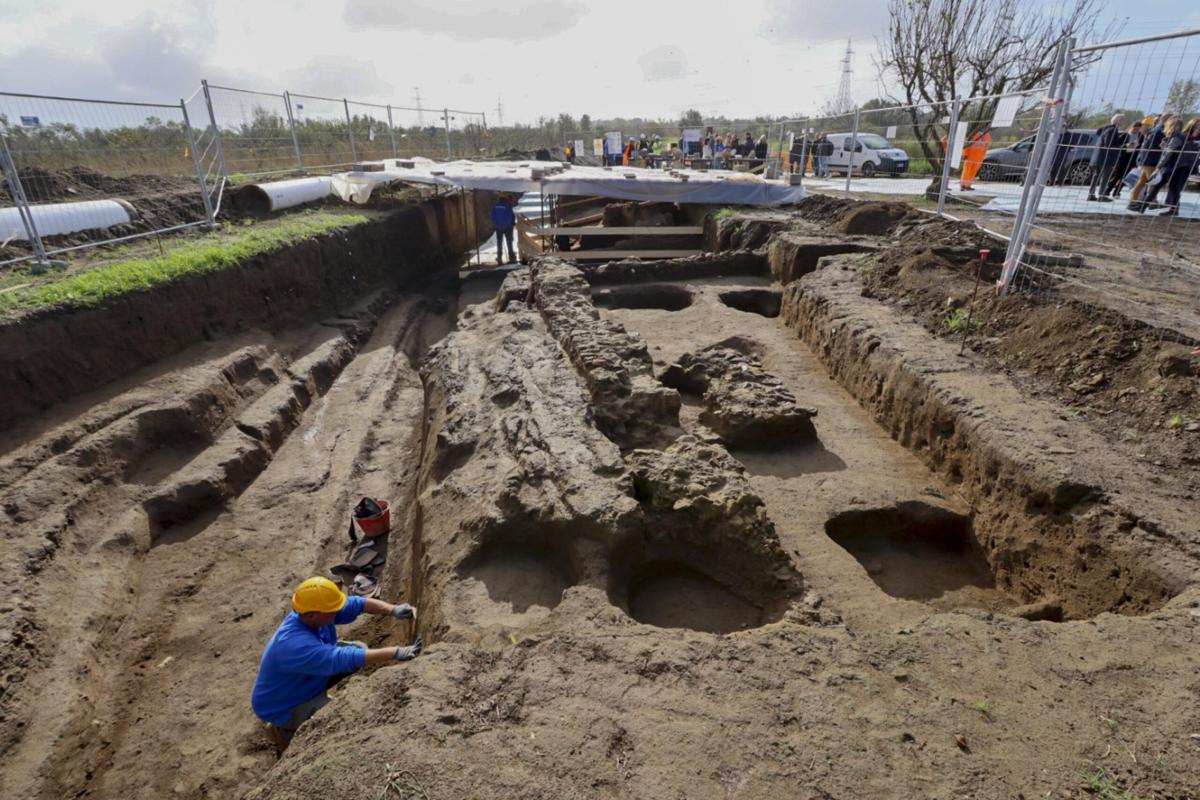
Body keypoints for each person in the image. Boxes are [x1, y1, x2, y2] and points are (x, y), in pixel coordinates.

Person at [252, 577, 422, 751]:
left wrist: (393, 610)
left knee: (359, 648)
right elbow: (341, 658)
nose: (338, 610)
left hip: (301, 680)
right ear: (313, 615)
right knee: (335, 718)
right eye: (333, 610)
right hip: (284, 704)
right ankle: (285, 732)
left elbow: (356, 604)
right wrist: (396, 652)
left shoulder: (313, 613)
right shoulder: (294, 645)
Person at [1138, 117, 1191, 213]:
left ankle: (1172, 210)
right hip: (1177, 166)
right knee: (1167, 187)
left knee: (1168, 187)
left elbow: (1168, 153)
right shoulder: (1180, 136)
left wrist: (1159, 166)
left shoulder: (1176, 137)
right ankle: (1143, 207)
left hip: (1174, 166)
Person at [1159, 118, 1199, 216]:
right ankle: (1171, 206)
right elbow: (1173, 142)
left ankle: (1173, 208)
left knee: (1176, 187)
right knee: (1171, 185)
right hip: (1175, 163)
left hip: (1188, 165)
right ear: (1192, 125)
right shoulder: (1184, 134)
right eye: (1197, 125)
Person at [1128, 114, 1168, 210]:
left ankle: (1134, 202)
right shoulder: (1159, 132)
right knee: (1152, 182)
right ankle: (1152, 202)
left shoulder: (1152, 132)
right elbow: (1153, 147)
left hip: (1146, 161)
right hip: (1150, 161)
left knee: (1142, 182)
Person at [1087, 114, 1128, 202]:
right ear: (1117, 120)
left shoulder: (1106, 129)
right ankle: (1102, 196)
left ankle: (1091, 195)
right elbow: (1109, 144)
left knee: (1096, 177)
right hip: (1106, 158)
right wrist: (1123, 146)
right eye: (1122, 120)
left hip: (1098, 158)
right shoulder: (1112, 130)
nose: (1124, 122)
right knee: (1105, 177)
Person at [1105, 119, 1143, 199]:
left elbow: (1141, 147)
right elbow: (1118, 146)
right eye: (1135, 128)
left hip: (1132, 158)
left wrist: (1137, 146)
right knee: (1117, 175)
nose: (1136, 130)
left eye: (1138, 128)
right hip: (1123, 158)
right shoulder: (1125, 135)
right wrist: (1127, 145)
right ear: (1132, 127)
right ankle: (1107, 190)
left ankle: (1117, 192)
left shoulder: (1140, 136)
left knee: (1126, 177)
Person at [492, 194, 517, 264]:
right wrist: (506, 225)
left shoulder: (495, 206)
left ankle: (499, 257)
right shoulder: (507, 206)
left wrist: (497, 224)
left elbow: (493, 216)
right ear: (505, 199)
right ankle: (512, 257)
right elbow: (510, 216)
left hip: (498, 227)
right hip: (507, 227)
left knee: (499, 242)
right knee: (509, 242)